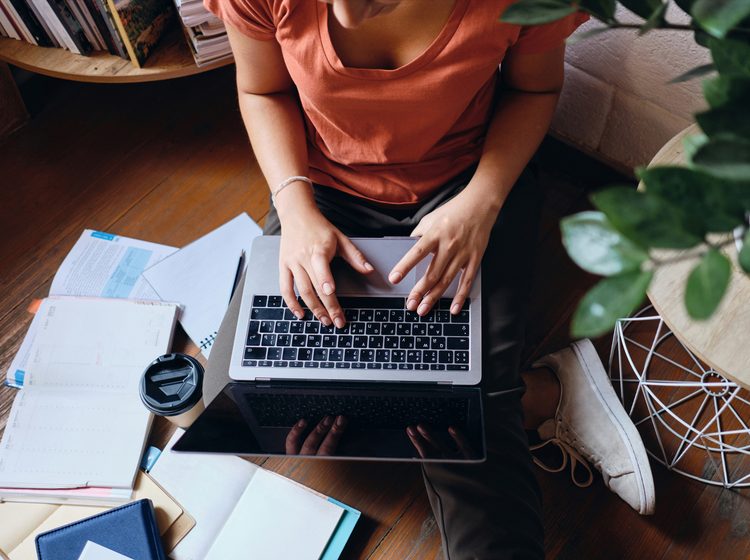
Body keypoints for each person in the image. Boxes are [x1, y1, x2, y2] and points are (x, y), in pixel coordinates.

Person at [203, 0, 654, 557]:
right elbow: (262, 91)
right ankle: (525, 396)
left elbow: (533, 92)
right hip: (320, 195)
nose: (344, 16)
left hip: (466, 191)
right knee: (228, 396)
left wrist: (481, 206)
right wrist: (295, 211)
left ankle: (533, 390)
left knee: (462, 420)